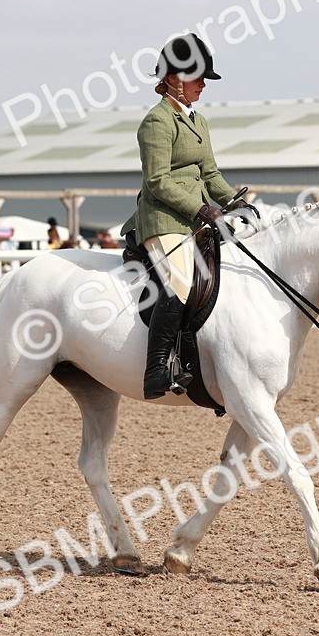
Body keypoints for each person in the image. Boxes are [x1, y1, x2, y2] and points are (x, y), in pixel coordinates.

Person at [121, 33, 241, 399]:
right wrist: (202, 209)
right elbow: (157, 181)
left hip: (195, 219)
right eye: (198, 78)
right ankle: (157, 368)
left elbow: (210, 174)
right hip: (164, 220)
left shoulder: (198, 121)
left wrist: (235, 201)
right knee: (182, 281)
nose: (204, 85)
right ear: (174, 78)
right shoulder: (156, 122)